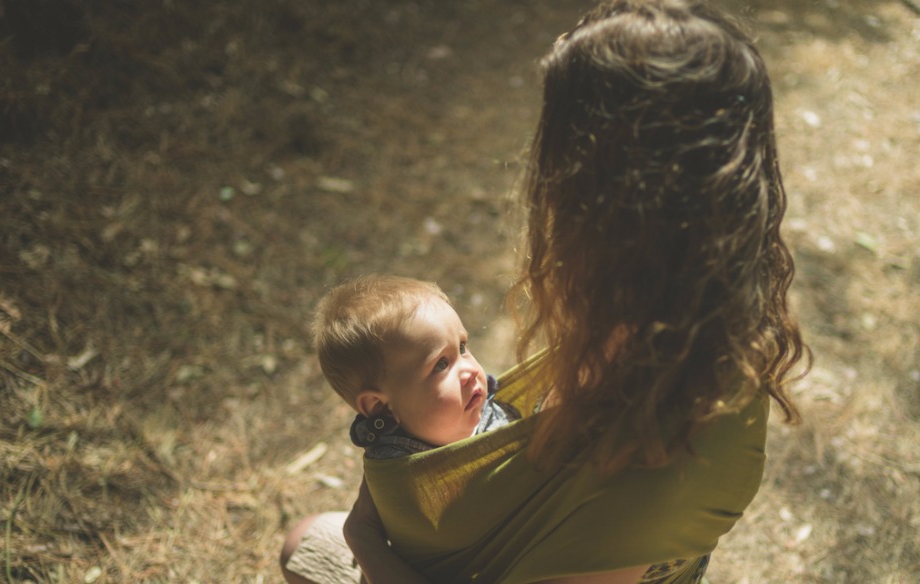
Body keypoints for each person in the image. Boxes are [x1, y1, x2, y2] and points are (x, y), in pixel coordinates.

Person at [282, 0, 807, 582]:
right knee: (306, 539)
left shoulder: (656, 462)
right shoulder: (684, 331)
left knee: (308, 545)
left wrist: (367, 544)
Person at [282, 274, 521, 583]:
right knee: (300, 541)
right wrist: (362, 537)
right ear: (379, 408)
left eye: (462, 347)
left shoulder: (490, 408)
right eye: (440, 365)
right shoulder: (399, 475)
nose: (470, 370)